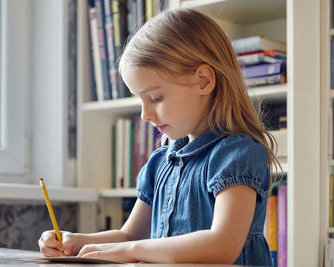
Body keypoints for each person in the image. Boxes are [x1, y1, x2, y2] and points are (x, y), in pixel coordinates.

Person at [38, 8, 281, 266]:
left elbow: (222, 245)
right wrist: (78, 241)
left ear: (203, 81)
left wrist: (132, 251)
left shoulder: (237, 153)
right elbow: (129, 234)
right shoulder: (161, 162)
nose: (144, 115)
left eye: (155, 98)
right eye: (140, 100)